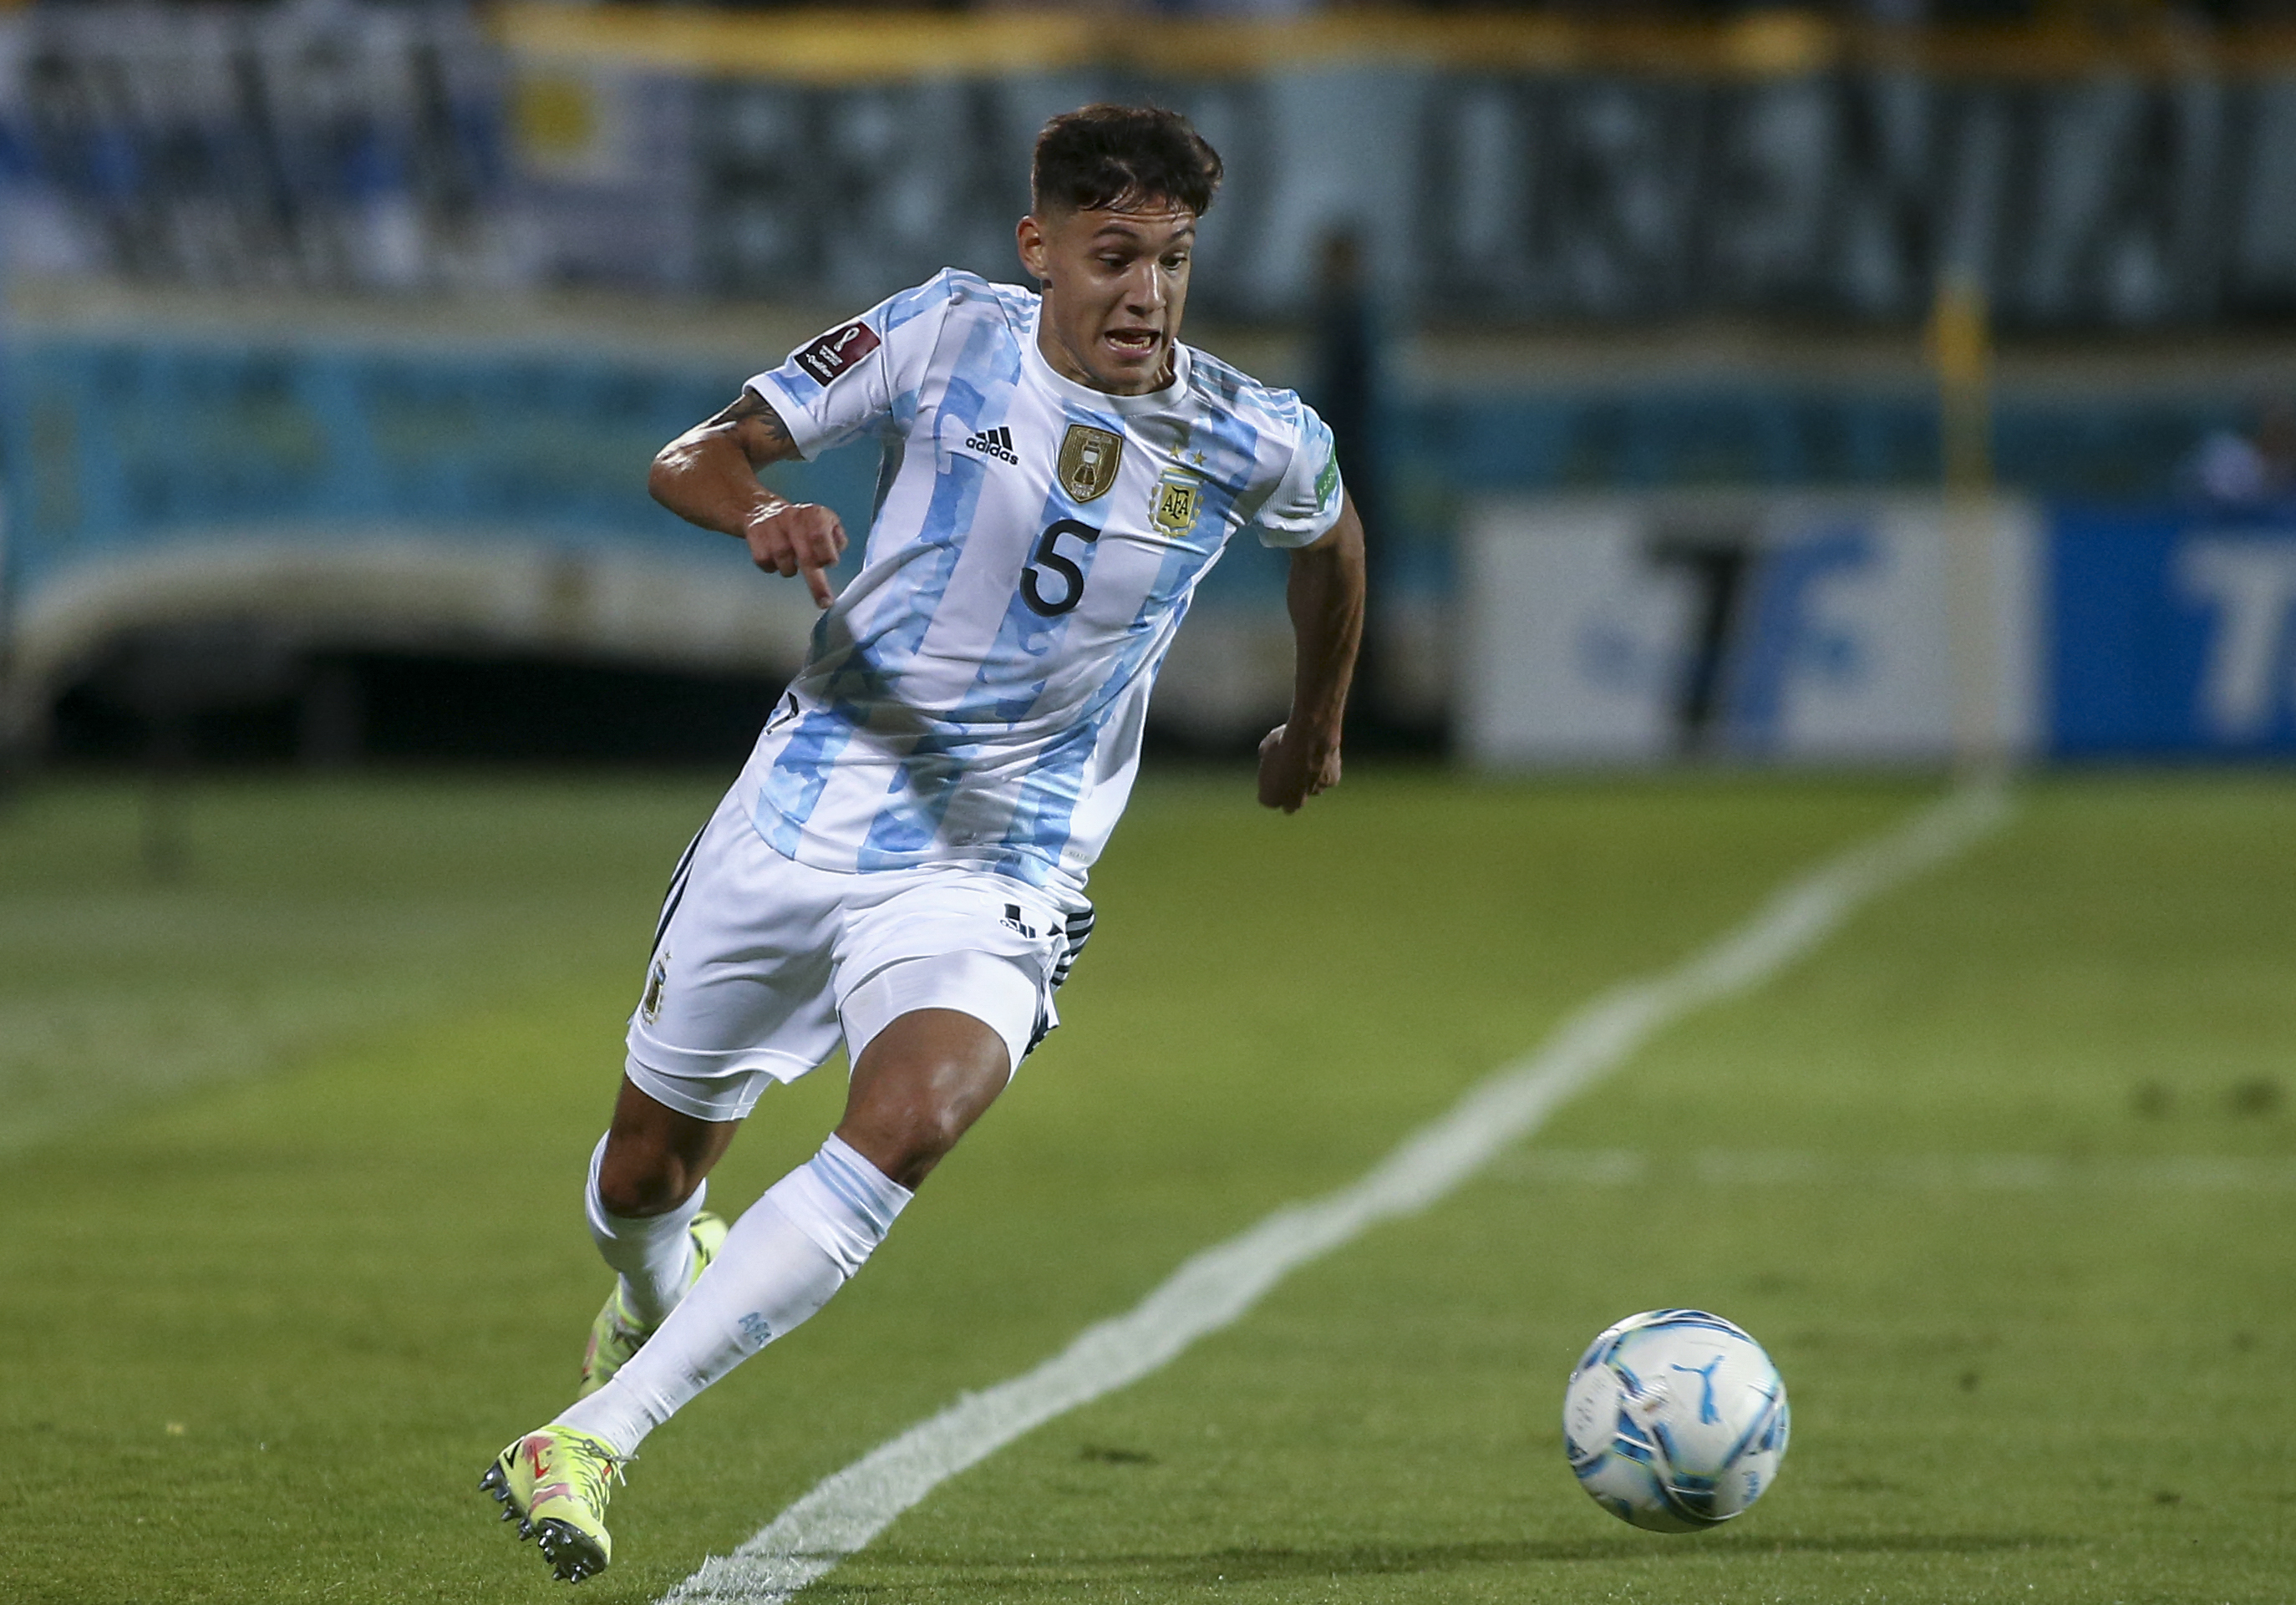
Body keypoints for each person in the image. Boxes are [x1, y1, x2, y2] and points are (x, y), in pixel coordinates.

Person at [477, 103, 1366, 1584]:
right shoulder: (945, 335)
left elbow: (1333, 542)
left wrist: (1317, 726)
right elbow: (692, 454)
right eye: (1113, 256)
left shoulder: (1246, 432)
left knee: (915, 1114)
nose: (1146, 294)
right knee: (644, 1175)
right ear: (1041, 252)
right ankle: (653, 1282)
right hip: (807, 808)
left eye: (1172, 260)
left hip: (1000, 858)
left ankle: (590, 1435)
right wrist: (760, 510)